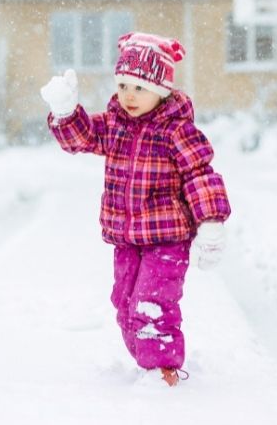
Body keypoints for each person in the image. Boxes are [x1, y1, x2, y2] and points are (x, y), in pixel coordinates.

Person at [39, 32, 231, 387]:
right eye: (124, 85)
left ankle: (164, 370)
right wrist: (65, 112)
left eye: (140, 88)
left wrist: (211, 222)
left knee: (151, 303)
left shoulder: (176, 131)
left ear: (161, 90)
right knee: (125, 302)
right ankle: (147, 364)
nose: (129, 95)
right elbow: (82, 138)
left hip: (167, 239)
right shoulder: (115, 125)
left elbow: (200, 174)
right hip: (127, 239)